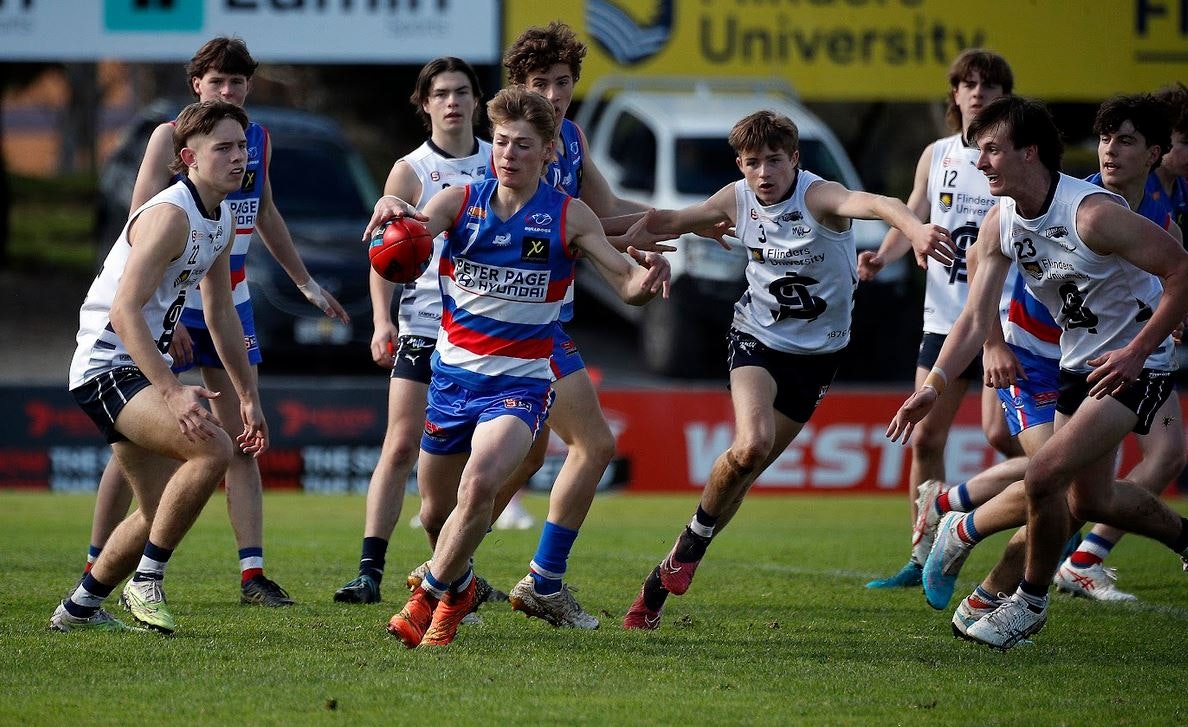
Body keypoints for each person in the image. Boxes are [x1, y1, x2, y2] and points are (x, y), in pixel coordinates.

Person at [620, 109, 956, 630]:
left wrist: (914, 228)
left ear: (794, 160)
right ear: (740, 165)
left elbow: (877, 202)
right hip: (756, 338)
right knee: (749, 445)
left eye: (774, 161)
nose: (764, 174)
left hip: (819, 358)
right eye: (753, 163)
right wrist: (584, 231)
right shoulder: (735, 198)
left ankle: (662, 578)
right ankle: (684, 554)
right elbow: (668, 220)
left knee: (743, 473)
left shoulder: (818, 197)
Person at [371, 85, 669, 648]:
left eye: (523, 145)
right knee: (438, 510)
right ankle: (457, 589)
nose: (508, 154)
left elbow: (625, 283)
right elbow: (414, 231)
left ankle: (425, 598)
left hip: (519, 386)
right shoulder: (460, 202)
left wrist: (644, 280)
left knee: (480, 483)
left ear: (548, 151)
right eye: (502, 142)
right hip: (452, 381)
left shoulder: (568, 216)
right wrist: (395, 214)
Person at [886, 95, 1188, 650]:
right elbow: (976, 317)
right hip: (1078, 365)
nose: (981, 164)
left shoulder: (1091, 214)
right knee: (1090, 499)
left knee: (1045, 473)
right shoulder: (1002, 220)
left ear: (1030, 153)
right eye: (979, 151)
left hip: (1135, 368)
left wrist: (1139, 351)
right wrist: (931, 388)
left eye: (993, 150)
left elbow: (1182, 271)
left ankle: (1026, 602)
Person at [78, 37, 347, 607]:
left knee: (231, 443)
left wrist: (305, 285)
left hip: (207, 291)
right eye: (218, 83)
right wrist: (163, 316)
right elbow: (141, 228)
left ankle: (246, 574)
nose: (229, 92)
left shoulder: (234, 186)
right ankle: (121, 569)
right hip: (139, 322)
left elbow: (261, 222)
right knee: (166, 450)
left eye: (239, 83)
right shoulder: (172, 150)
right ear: (196, 88)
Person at [51, 100, 268, 633]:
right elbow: (124, 313)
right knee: (212, 449)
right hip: (106, 364)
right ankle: (145, 584)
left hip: (131, 366)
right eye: (224, 148)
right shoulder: (172, 214)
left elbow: (220, 315)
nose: (238, 156)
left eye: (241, 146)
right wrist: (172, 391)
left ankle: (77, 610)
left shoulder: (220, 218)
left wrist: (248, 397)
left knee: (155, 512)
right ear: (189, 157)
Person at [333, 57, 495, 605]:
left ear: (478, 100)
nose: (452, 102)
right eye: (441, 93)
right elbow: (384, 250)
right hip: (425, 324)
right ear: (424, 104)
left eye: (462, 92)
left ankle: (458, 572)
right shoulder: (411, 169)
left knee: (479, 460)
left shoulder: (502, 160)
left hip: (484, 328)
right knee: (400, 445)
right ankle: (369, 571)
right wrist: (383, 321)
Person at [861, 49, 1024, 590]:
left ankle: (1057, 514)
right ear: (954, 93)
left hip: (1007, 325)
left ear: (1006, 97)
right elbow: (913, 213)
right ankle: (924, 553)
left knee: (1002, 436)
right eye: (968, 83)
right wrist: (884, 255)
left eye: (990, 85)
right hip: (944, 321)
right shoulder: (937, 155)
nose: (977, 92)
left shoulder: (1015, 159)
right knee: (926, 437)